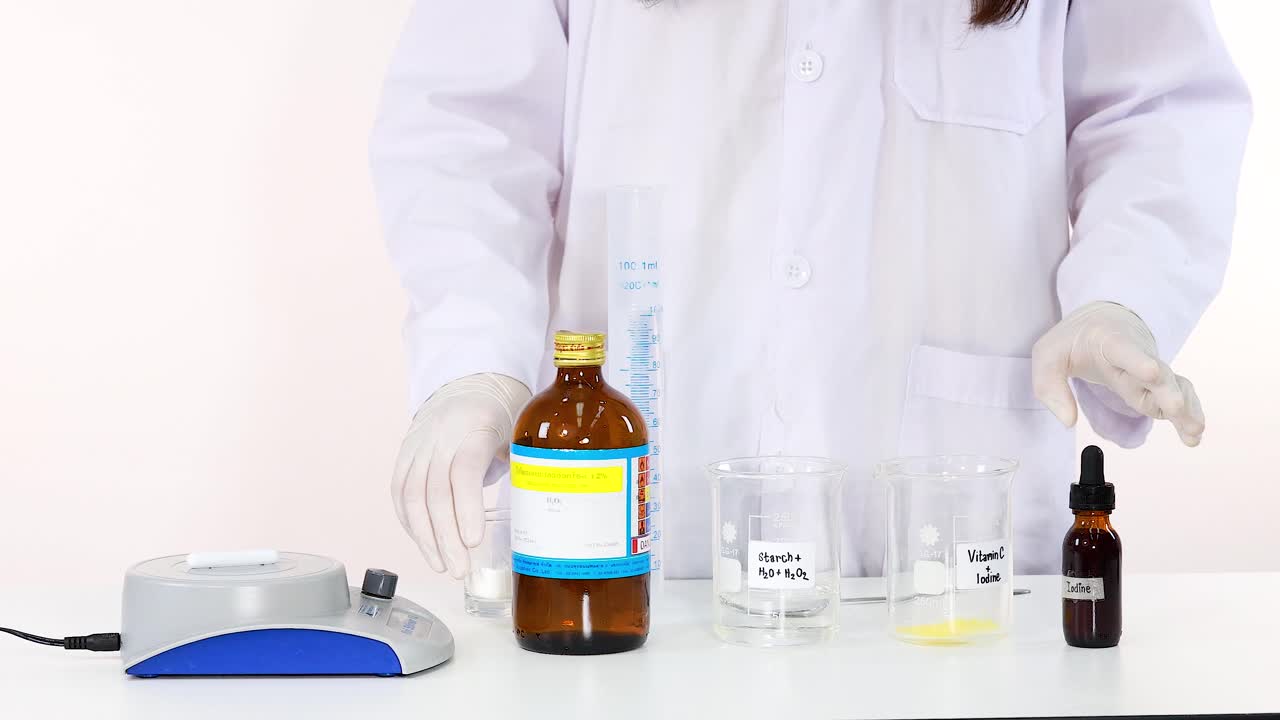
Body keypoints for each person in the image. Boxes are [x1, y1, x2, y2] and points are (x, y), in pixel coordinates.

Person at [369, 0, 1250, 579]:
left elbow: (1159, 105)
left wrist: (1122, 292)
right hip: (646, 520)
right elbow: (468, 130)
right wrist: (477, 360)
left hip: (949, 550)